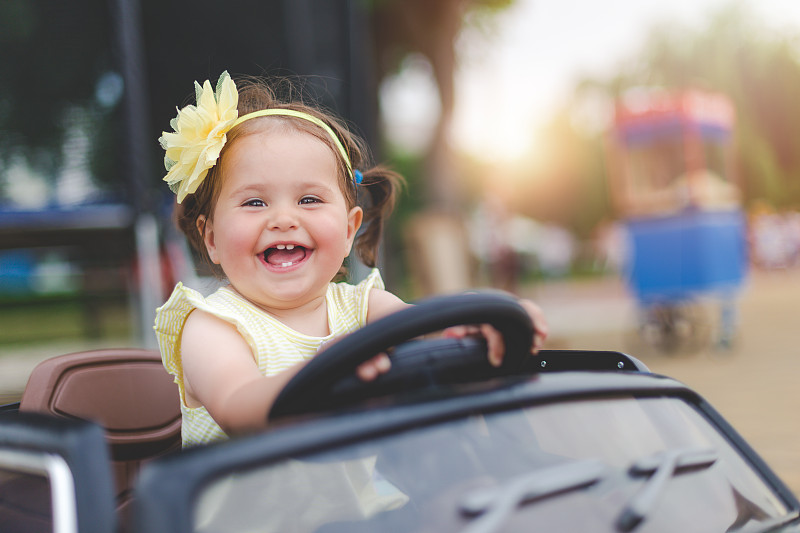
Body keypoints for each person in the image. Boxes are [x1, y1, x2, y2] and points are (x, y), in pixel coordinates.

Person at [154, 71, 548, 448]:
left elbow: (432, 332)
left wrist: (482, 321)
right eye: (254, 202)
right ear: (211, 239)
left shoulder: (363, 308)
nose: (284, 219)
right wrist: (323, 372)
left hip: (361, 517)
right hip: (242, 521)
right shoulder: (210, 326)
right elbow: (240, 408)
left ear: (348, 230)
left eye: (309, 200)